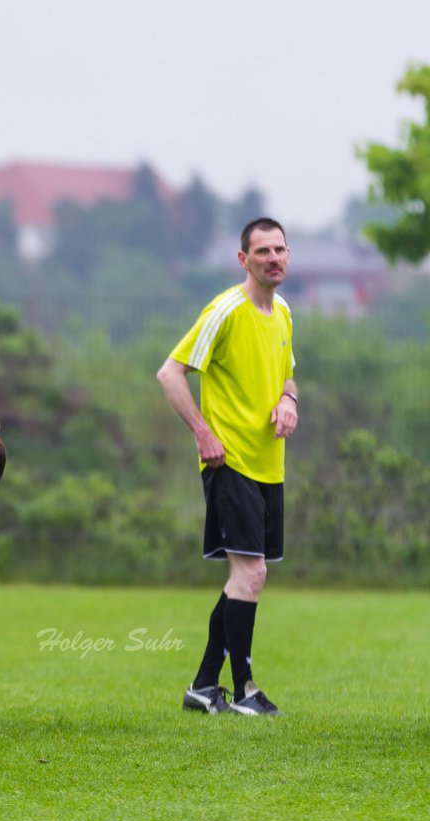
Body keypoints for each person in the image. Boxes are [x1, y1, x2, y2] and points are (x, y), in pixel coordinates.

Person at [157, 217, 297, 717]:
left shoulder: (281, 313)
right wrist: (203, 432)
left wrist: (288, 402)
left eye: (280, 249)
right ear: (244, 260)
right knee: (251, 573)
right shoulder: (226, 310)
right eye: (263, 251)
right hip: (230, 461)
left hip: (269, 467)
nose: (274, 258)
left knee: (245, 577)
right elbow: (169, 373)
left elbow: (288, 380)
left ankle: (201, 687)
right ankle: (245, 691)